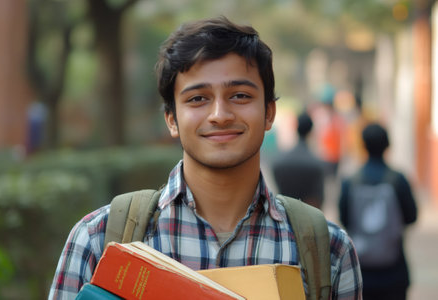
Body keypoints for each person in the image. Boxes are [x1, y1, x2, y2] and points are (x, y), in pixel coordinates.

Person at [49, 16, 362, 299]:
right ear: (171, 118)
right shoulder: (98, 238)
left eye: (239, 95)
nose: (220, 115)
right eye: (198, 99)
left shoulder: (327, 251)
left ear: (269, 113)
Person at [339, 123, 417, 300]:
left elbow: (345, 219)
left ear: (363, 145)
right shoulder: (398, 180)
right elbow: (412, 217)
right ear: (388, 145)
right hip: (394, 268)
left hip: (361, 268)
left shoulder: (350, 182)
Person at [272, 111, 326, 209]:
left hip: (285, 214)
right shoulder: (316, 164)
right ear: (311, 131)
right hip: (308, 217)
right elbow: (318, 200)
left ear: (296, 128)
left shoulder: (279, 162)